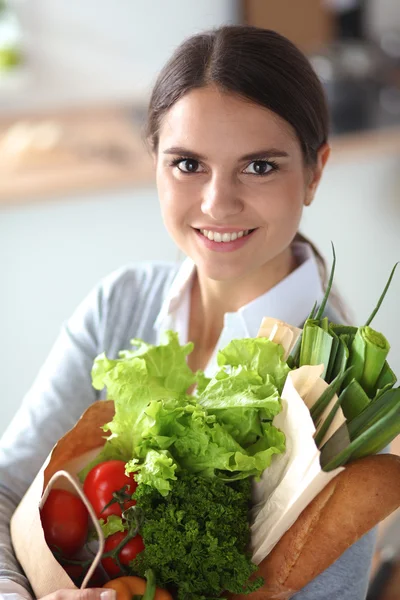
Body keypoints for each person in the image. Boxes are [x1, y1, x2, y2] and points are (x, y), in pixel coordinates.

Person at [0, 25, 376, 600]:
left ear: (315, 172)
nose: (217, 202)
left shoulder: (344, 396)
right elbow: (7, 486)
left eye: (259, 167)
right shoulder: (119, 304)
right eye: (187, 164)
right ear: (155, 162)